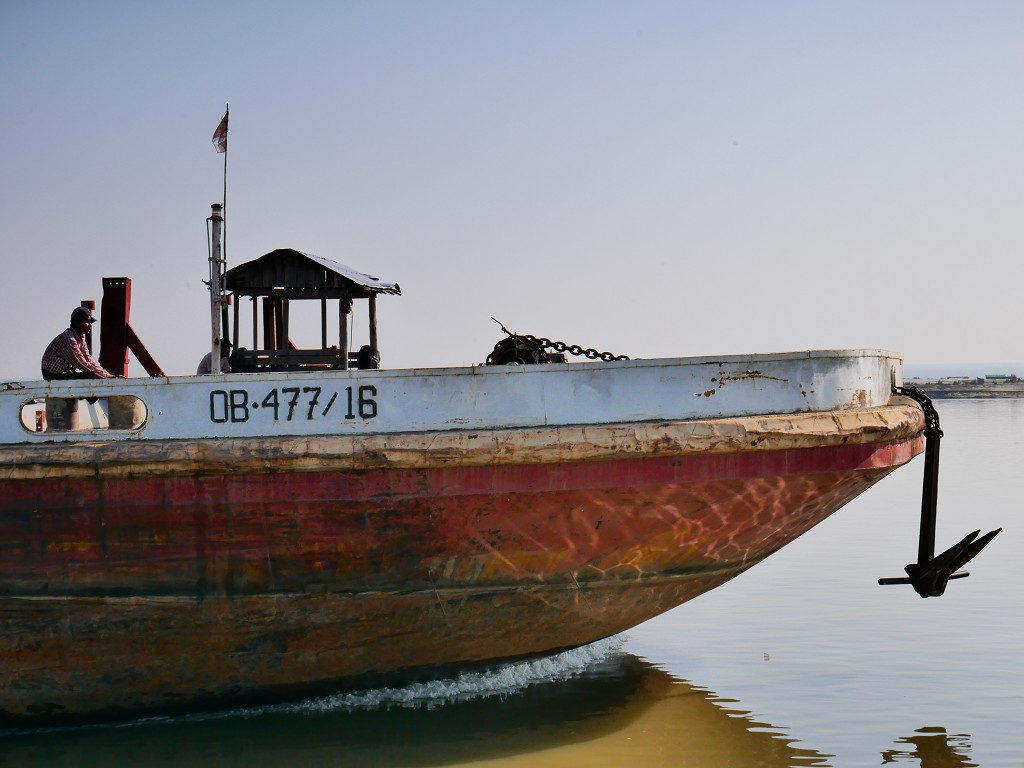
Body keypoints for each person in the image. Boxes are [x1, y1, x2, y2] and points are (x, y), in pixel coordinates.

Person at [40, 307, 114, 380]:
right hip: (52, 375)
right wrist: (107, 377)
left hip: (65, 372)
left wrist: (107, 375)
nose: (90, 325)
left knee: (94, 375)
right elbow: (81, 363)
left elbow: (88, 360)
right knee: (93, 376)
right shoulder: (68, 339)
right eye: (87, 322)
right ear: (77, 322)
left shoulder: (81, 339)